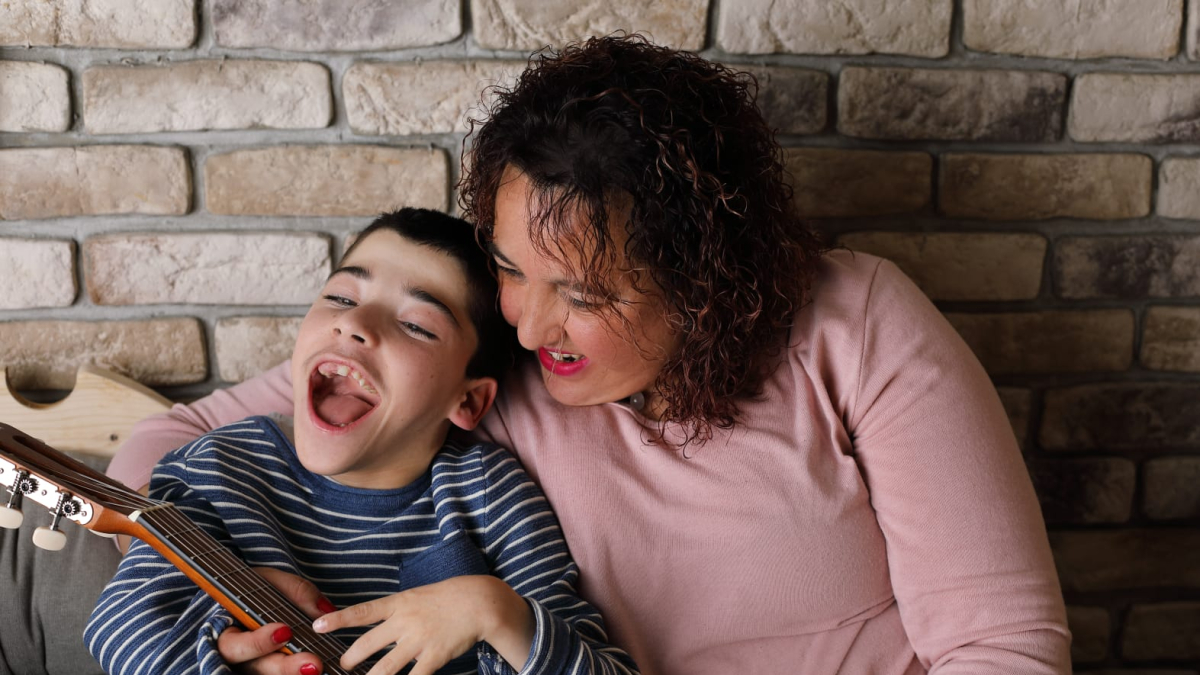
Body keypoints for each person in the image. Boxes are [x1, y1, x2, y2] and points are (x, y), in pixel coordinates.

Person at [104, 34, 1069, 674]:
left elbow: (1006, 644)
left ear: (704, 282)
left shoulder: (855, 321)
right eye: (514, 269)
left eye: (587, 294)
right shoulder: (484, 360)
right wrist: (223, 570)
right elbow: (170, 441)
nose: (530, 326)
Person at [83, 208, 640, 675]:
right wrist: (219, 649)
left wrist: (495, 611)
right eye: (342, 298)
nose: (357, 325)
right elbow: (121, 630)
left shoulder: (492, 497)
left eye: (418, 325)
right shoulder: (215, 470)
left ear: (467, 401)